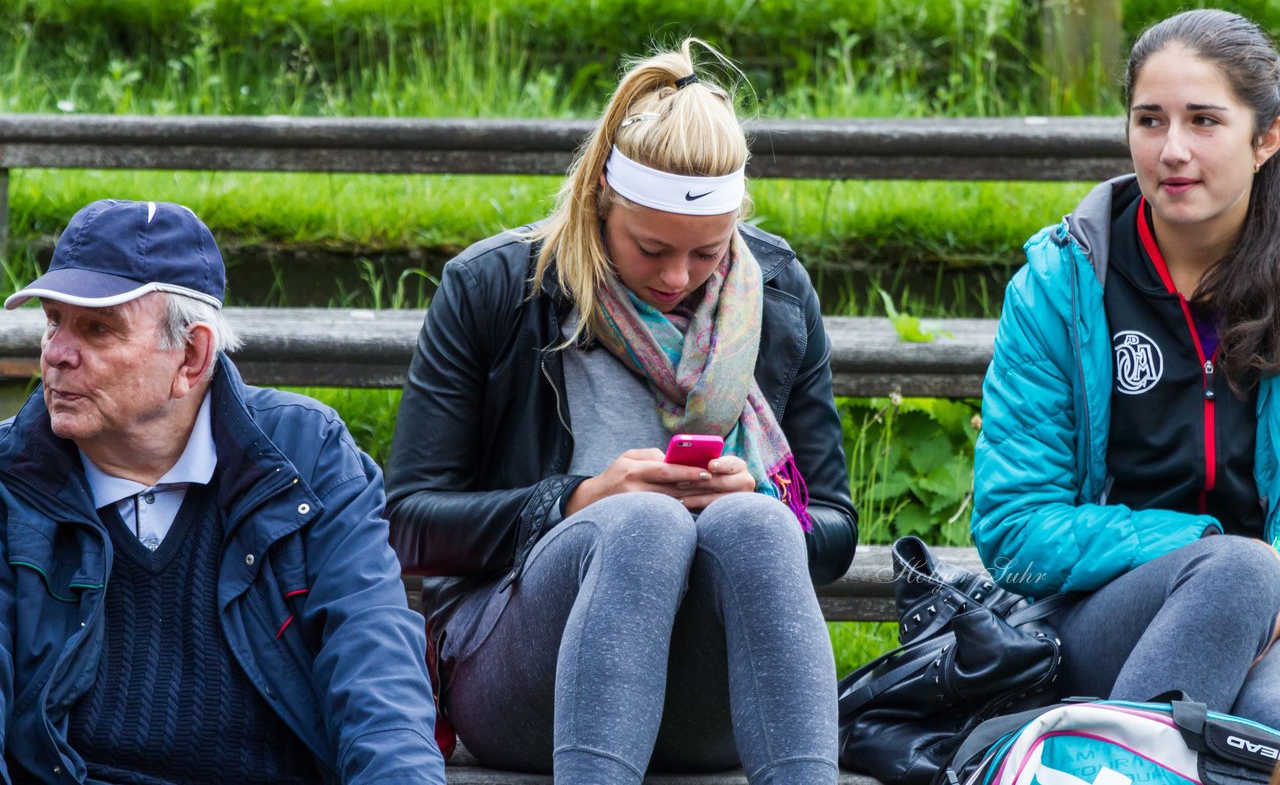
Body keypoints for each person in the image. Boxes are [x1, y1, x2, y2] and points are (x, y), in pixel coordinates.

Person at [385, 39, 858, 784]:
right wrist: (578, 500)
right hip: (519, 675)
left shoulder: (779, 293)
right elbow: (409, 522)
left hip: (711, 694)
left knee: (760, 522)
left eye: (708, 253)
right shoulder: (494, 288)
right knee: (643, 522)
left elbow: (831, 530)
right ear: (600, 202)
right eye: (650, 248)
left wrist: (765, 496)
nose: (678, 276)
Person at [0, 199, 448, 783]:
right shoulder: (12, 477)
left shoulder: (307, 456)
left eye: (97, 328)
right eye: (54, 320)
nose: (56, 353)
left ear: (191, 355)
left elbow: (377, 672)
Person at [973, 9, 1280, 723]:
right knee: (1236, 572)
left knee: (1265, 727)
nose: (1172, 149)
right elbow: (1015, 526)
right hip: (1102, 618)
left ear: (1266, 137)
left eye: (1204, 121)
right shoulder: (1062, 283)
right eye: (1150, 120)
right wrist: (1210, 550)